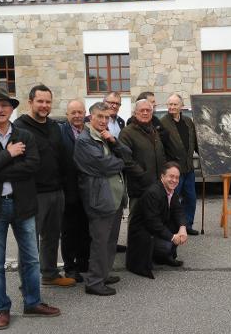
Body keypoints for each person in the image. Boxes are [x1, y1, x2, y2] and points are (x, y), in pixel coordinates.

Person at [0, 87, 60, 330]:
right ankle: (2, 308)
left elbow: (32, 167)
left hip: (23, 205)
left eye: (5, 105)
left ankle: (33, 302)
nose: (0, 109)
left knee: (31, 259)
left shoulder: (24, 136)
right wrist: (8, 154)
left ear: (11, 109)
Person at [14, 85, 74, 287]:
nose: (44, 105)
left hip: (56, 191)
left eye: (48, 102)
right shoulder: (19, 128)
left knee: (51, 237)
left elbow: (62, 158)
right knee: (29, 242)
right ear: (30, 102)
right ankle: (28, 286)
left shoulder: (54, 126)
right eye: (40, 101)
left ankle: (49, 274)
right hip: (33, 194)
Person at [73, 102, 131, 295]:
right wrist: (122, 163)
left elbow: (128, 155)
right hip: (99, 199)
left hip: (114, 198)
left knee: (110, 240)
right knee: (100, 242)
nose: (103, 121)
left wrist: (114, 141)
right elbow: (103, 165)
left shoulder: (105, 137)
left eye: (106, 117)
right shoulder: (85, 141)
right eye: (100, 116)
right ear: (91, 117)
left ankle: (103, 274)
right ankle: (94, 282)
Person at [126, 162, 189, 278]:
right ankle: (158, 255)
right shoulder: (153, 193)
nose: (174, 180)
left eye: (177, 177)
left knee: (177, 224)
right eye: (171, 176)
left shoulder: (171, 190)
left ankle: (165, 256)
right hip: (142, 232)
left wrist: (183, 228)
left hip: (155, 227)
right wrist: (173, 237)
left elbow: (178, 211)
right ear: (162, 176)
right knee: (165, 245)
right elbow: (152, 223)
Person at [59, 99, 91, 282]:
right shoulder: (60, 133)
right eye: (73, 113)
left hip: (87, 191)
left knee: (85, 230)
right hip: (69, 191)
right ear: (67, 115)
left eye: (80, 112)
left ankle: (84, 263)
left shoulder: (88, 131)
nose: (77, 116)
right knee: (69, 232)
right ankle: (70, 267)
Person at [159, 93, 199, 236]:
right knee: (172, 200)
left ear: (181, 106)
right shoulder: (163, 123)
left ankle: (187, 225)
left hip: (188, 168)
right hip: (173, 170)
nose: (172, 107)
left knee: (191, 198)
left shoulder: (188, 122)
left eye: (175, 104)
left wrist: (206, 157)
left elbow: (195, 143)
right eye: (170, 104)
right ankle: (172, 227)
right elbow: (160, 147)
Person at [119, 99, 166, 213]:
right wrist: (143, 175)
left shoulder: (154, 130)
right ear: (135, 113)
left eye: (148, 110)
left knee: (154, 221)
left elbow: (161, 154)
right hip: (139, 188)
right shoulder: (127, 133)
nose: (145, 113)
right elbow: (126, 160)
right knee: (137, 222)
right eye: (142, 110)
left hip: (157, 186)